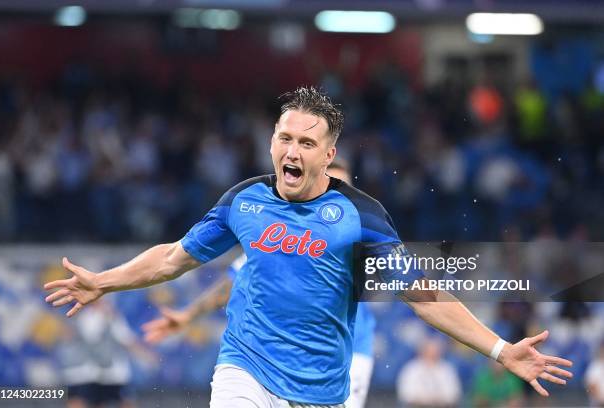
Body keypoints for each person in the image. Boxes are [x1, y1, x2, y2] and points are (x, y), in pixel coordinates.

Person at [45, 86, 572, 407]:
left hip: (322, 391)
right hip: (244, 369)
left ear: (329, 154)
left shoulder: (362, 216)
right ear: (272, 142)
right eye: (284, 138)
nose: (291, 151)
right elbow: (173, 257)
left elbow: (421, 295)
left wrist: (501, 350)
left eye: (306, 143)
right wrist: (104, 281)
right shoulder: (243, 203)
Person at [141, 159, 377, 408]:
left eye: (343, 187)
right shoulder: (280, 236)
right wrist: (189, 314)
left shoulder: (359, 235)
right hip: (280, 354)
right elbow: (234, 279)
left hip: (346, 352)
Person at [396, 337, 462, 407]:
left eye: (434, 352)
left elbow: (453, 394)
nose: (432, 354)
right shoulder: (411, 368)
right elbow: (406, 394)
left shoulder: (447, 369)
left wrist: (435, 400)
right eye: (429, 351)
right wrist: (425, 400)